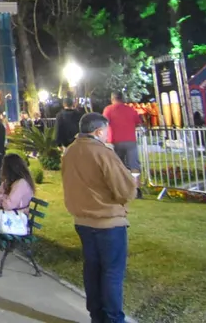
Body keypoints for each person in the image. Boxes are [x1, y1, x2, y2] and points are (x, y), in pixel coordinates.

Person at [61, 112, 137, 323]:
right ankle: (113, 319)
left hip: (82, 221)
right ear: (98, 131)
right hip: (108, 222)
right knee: (111, 273)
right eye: (106, 132)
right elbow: (125, 189)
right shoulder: (102, 153)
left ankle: (97, 316)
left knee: (92, 270)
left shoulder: (70, 152)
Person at [103, 92, 142, 198]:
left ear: (112, 99)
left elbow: (104, 124)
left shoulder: (108, 109)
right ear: (122, 98)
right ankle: (137, 189)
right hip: (130, 140)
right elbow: (138, 122)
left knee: (117, 165)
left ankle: (119, 189)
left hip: (114, 141)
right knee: (134, 165)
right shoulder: (130, 109)